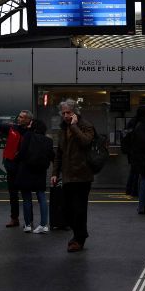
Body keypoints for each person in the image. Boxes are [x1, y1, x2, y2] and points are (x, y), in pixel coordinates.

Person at [51, 99, 95, 252]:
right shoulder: (62, 129)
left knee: (79, 209)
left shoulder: (86, 125)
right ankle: (78, 234)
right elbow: (59, 153)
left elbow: (86, 142)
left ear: (75, 112)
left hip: (83, 175)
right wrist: (55, 172)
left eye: (68, 112)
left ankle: (79, 239)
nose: (65, 116)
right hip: (68, 175)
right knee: (67, 209)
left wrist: (74, 126)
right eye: (63, 113)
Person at [0, 110, 32, 227]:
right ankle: (14, 218)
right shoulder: (13, 128)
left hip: (24, 166)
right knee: (13, 194)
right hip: (12, 165)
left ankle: (29, 220)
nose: (19, 119)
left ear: (28, 120)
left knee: (25, 194)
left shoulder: (32, 131)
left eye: (23, 117)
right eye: (19, 117)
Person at [16, 119, 54, 234]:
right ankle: (43, 224)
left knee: (27, 198)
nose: (29, 125)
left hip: (26, 170)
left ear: (34, 126)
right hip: (40, 171)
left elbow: (22, 153)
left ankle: (28, 225)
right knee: (41, 197)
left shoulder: (28, 135)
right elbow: (51, 155)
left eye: (31, 124)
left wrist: (17, 157)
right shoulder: (48, 140)